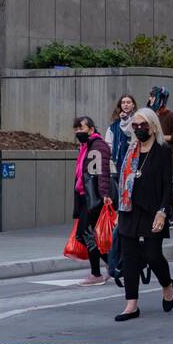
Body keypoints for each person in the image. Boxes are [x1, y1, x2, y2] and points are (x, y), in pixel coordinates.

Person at [113, 108, 173, 322]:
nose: (139, 129)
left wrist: (162, 212)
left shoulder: (162, 152)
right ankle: (131, 304)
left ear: (153, 126)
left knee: (152, 254)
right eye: (135, 125)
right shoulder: (130, 150)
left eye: (143, 125)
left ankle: (167, 284)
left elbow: (168, 185)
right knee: (129, 256)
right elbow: (122, 181)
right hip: (129, 209)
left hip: (153, 210)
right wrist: (117, 209)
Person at [72, 116, 114, 286]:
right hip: (84, 197)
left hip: (94, 198)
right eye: (75, 129)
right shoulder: (85, 146)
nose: (77, 132)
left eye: (80, 128)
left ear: (91, 129)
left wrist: (104, 195)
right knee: (85, 235)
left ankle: (97, 273)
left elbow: (102, 173)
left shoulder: (98, 146)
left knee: (86, 234)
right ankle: (115, 264)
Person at [148, 85, 173, 227]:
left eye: (152, 96)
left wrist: (164, 137)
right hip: (154, 158)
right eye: (150, 96)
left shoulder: (169, 115)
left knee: (172, 187)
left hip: (170, 159)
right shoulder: (150, 115)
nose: (150, 99)